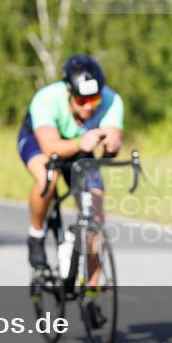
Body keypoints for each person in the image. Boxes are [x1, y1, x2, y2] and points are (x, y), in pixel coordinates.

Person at [17, 55, 124, 270]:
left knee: (96, 210)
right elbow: (50, 147)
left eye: (94, 100)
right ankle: (36, 235)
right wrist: (81, 142)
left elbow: (112, 140)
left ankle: (92, 291)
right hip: (40, 141)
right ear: (69, 93)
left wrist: (111, 145)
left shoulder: (112, 100)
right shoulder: (46, 99)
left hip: (82, 146)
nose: (89, 108)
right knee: (48, 177)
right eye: (82, 101)